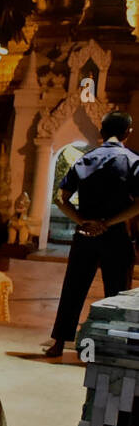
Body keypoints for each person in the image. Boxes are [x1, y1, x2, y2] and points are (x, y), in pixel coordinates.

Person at [44, 111, 139, 357]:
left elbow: (61, 199)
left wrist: (84, 221)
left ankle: (58, 343)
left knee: (73, 288)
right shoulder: (131, 160)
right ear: (127, 132)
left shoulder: (86, 159)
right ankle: (114, 347)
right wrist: (108, 223)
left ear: (101, 133)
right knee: (116, 293)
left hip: (85, 233)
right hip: (116, 234)